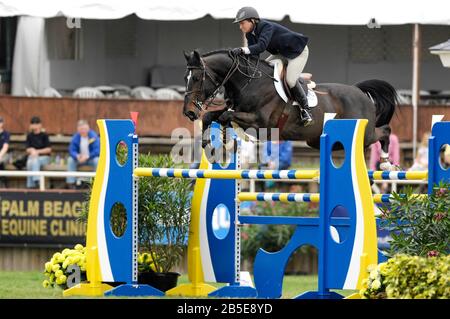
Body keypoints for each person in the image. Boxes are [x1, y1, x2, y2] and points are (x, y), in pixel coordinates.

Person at [232, 6, 313, 126]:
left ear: (252, 20)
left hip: (298, 52)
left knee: (290, 80)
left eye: (242, 23)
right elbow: (255, 56)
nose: (240, 27)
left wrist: (242, 50)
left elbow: (261, 46)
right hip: (281, 53)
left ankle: (305, 109)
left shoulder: (266, 26)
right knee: (263, 68)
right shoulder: (250, 34)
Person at [66, 120, 100, 189]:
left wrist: (88, 156)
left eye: (85, 129)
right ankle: (71, 183)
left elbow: (97, 150)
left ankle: (96, 182)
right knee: (70, 160)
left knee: (97, 160)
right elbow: (71, 150)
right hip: (79, 159)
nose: (83, 131)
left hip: (90, 158)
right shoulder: (76, 137)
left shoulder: (93, 136)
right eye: (81, 129)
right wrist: (77, 156)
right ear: (78, 129)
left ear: (88, 128)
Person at [26, 116, 52, 188]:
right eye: (33, 124)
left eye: (36, 123)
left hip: (44, 158)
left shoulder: (44, 135)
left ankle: (35, 181)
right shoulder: (29, 135)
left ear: (40, 125)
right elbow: (27, 149)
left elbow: (48, 149)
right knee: (30, 162)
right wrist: (32, 151)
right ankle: (31, 185)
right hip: (33, 157)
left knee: (34, 160)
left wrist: (37, 152)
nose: (34, 126)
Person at [0, 117, 11, 187]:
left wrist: (0, 155)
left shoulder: (6, 133)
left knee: (1, 161)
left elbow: (5, 147)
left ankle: (4, 183)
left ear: (2, 123)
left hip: (4, 154)